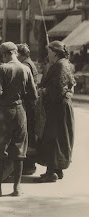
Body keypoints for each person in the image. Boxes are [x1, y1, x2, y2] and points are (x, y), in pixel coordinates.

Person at [0, 42, 37, 197]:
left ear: (5, 55)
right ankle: (17, 188)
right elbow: (33, 94)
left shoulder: (2, 68)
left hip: (4, 111)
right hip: (20, 111)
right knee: (19, 150)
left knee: (0, 148)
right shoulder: (26, 69)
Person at [34, 41, 76, 183]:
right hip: (62, 106)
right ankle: (57, 170)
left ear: (55, 52)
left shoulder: (59, 65)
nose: (47, 54)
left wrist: (42, 91)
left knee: (52, 137)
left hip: (58, 107)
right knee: (60, 137)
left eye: (49, 52)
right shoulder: (65, 64)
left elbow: (57, 88)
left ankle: (51, 172)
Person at [16, 43, 39, 175]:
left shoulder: (25, 65)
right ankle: (29, 165)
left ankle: (28, 165)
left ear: (21, 54)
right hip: (31, 102)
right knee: (29, 133)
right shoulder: (29, 63)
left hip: (28, 103)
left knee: (27, 133)